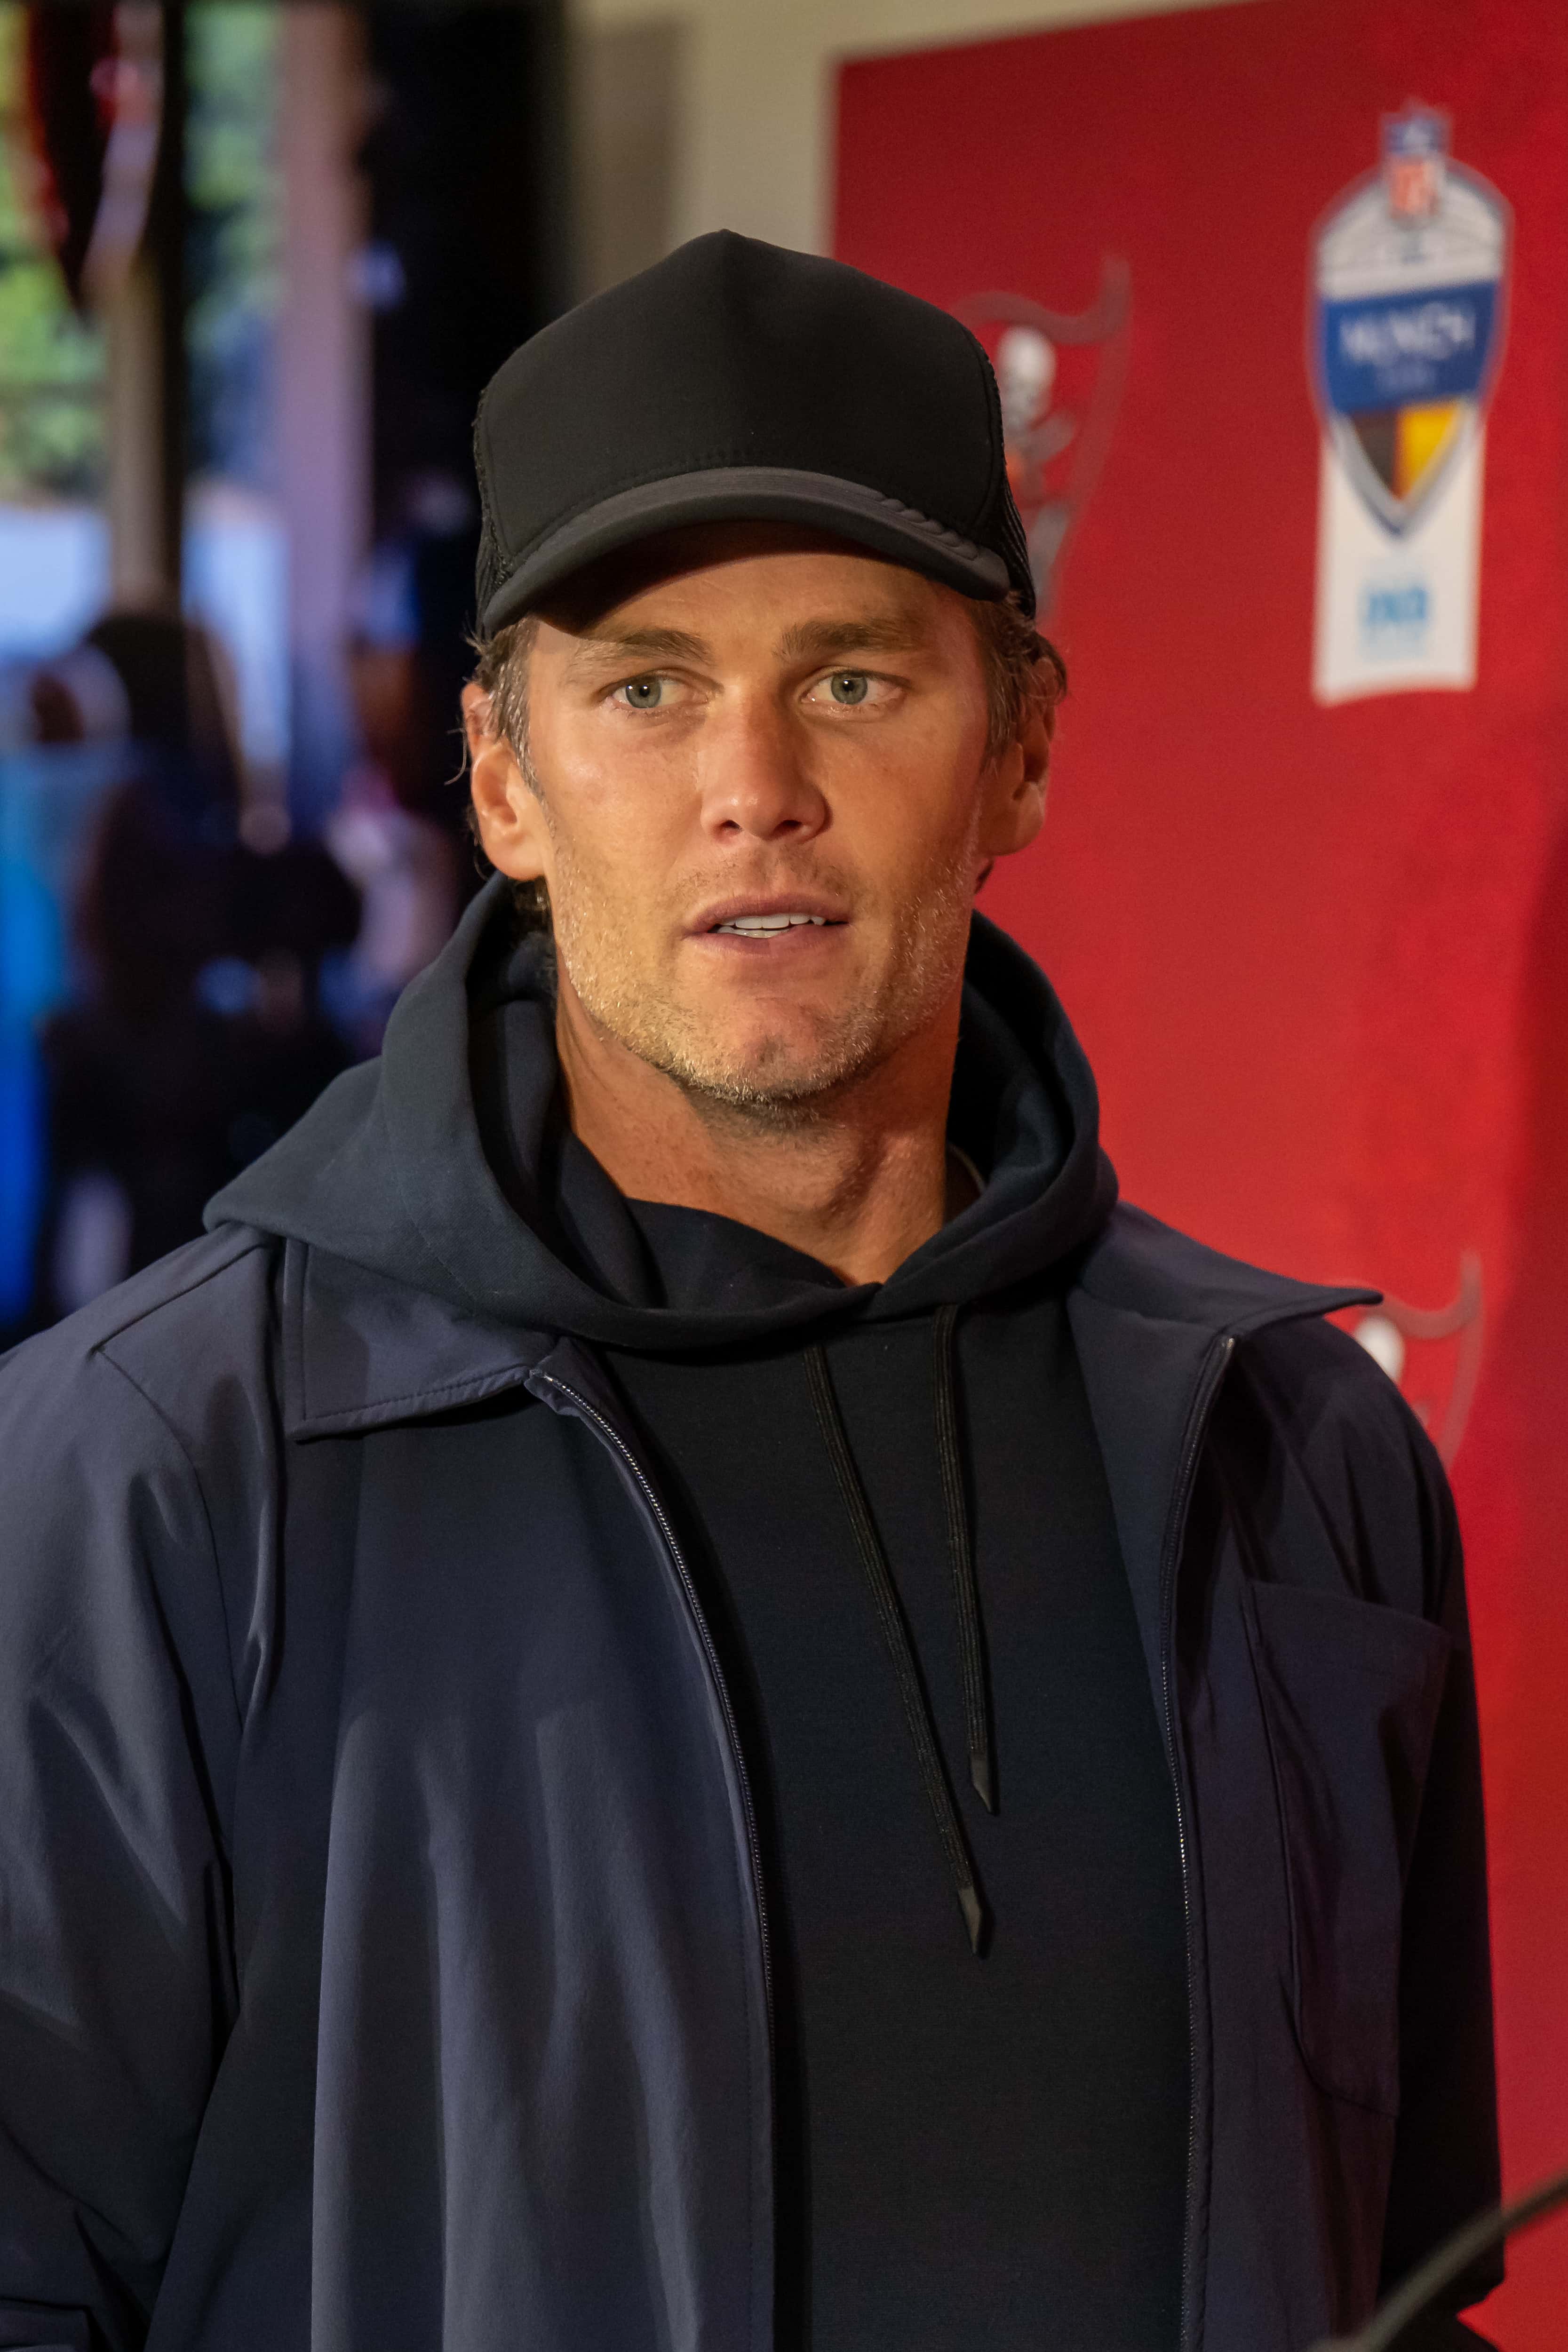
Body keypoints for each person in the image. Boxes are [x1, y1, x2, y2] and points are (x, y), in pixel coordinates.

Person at [0, 234, 1498, 2352]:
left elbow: (1396, 2285)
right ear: (507, 782)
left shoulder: (1298, 1450)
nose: (755, 781)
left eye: (856, 679)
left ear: (1023, 751)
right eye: (646, 688)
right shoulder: (150, 1479)